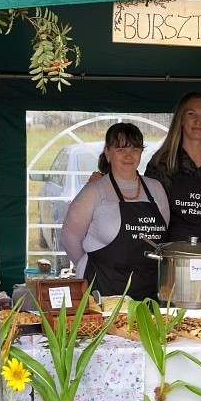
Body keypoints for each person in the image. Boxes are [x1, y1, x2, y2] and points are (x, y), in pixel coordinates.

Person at [60, 123, 169, 299]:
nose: (128, 155)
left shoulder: (156, 189)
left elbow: (163, 237)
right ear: (107, 152)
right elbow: (69, 238)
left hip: (147, 289)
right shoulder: (94, 191)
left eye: (134, 149)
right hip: (103, 288)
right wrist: (90, 265)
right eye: (120, 149)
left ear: (141, 152)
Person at [144, 92, 201, 246]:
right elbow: (148, 210)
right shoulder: (162, 161)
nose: (198, 121)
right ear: (181, 120)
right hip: (174, 250)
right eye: (191, 114)